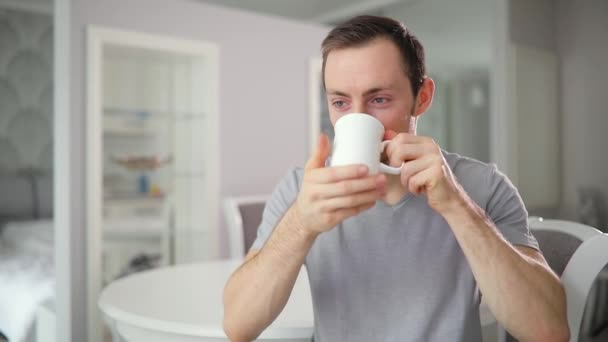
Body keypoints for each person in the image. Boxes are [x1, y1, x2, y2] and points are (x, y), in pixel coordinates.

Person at [223, 15, 569, 342]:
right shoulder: (305, 190)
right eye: (340, 102)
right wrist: (300, 224)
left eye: (379, 99)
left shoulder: (483, 186)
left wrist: (457, 207)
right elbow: (238, 324)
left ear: (423, 97)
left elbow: (548, 331)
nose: (358, 118)